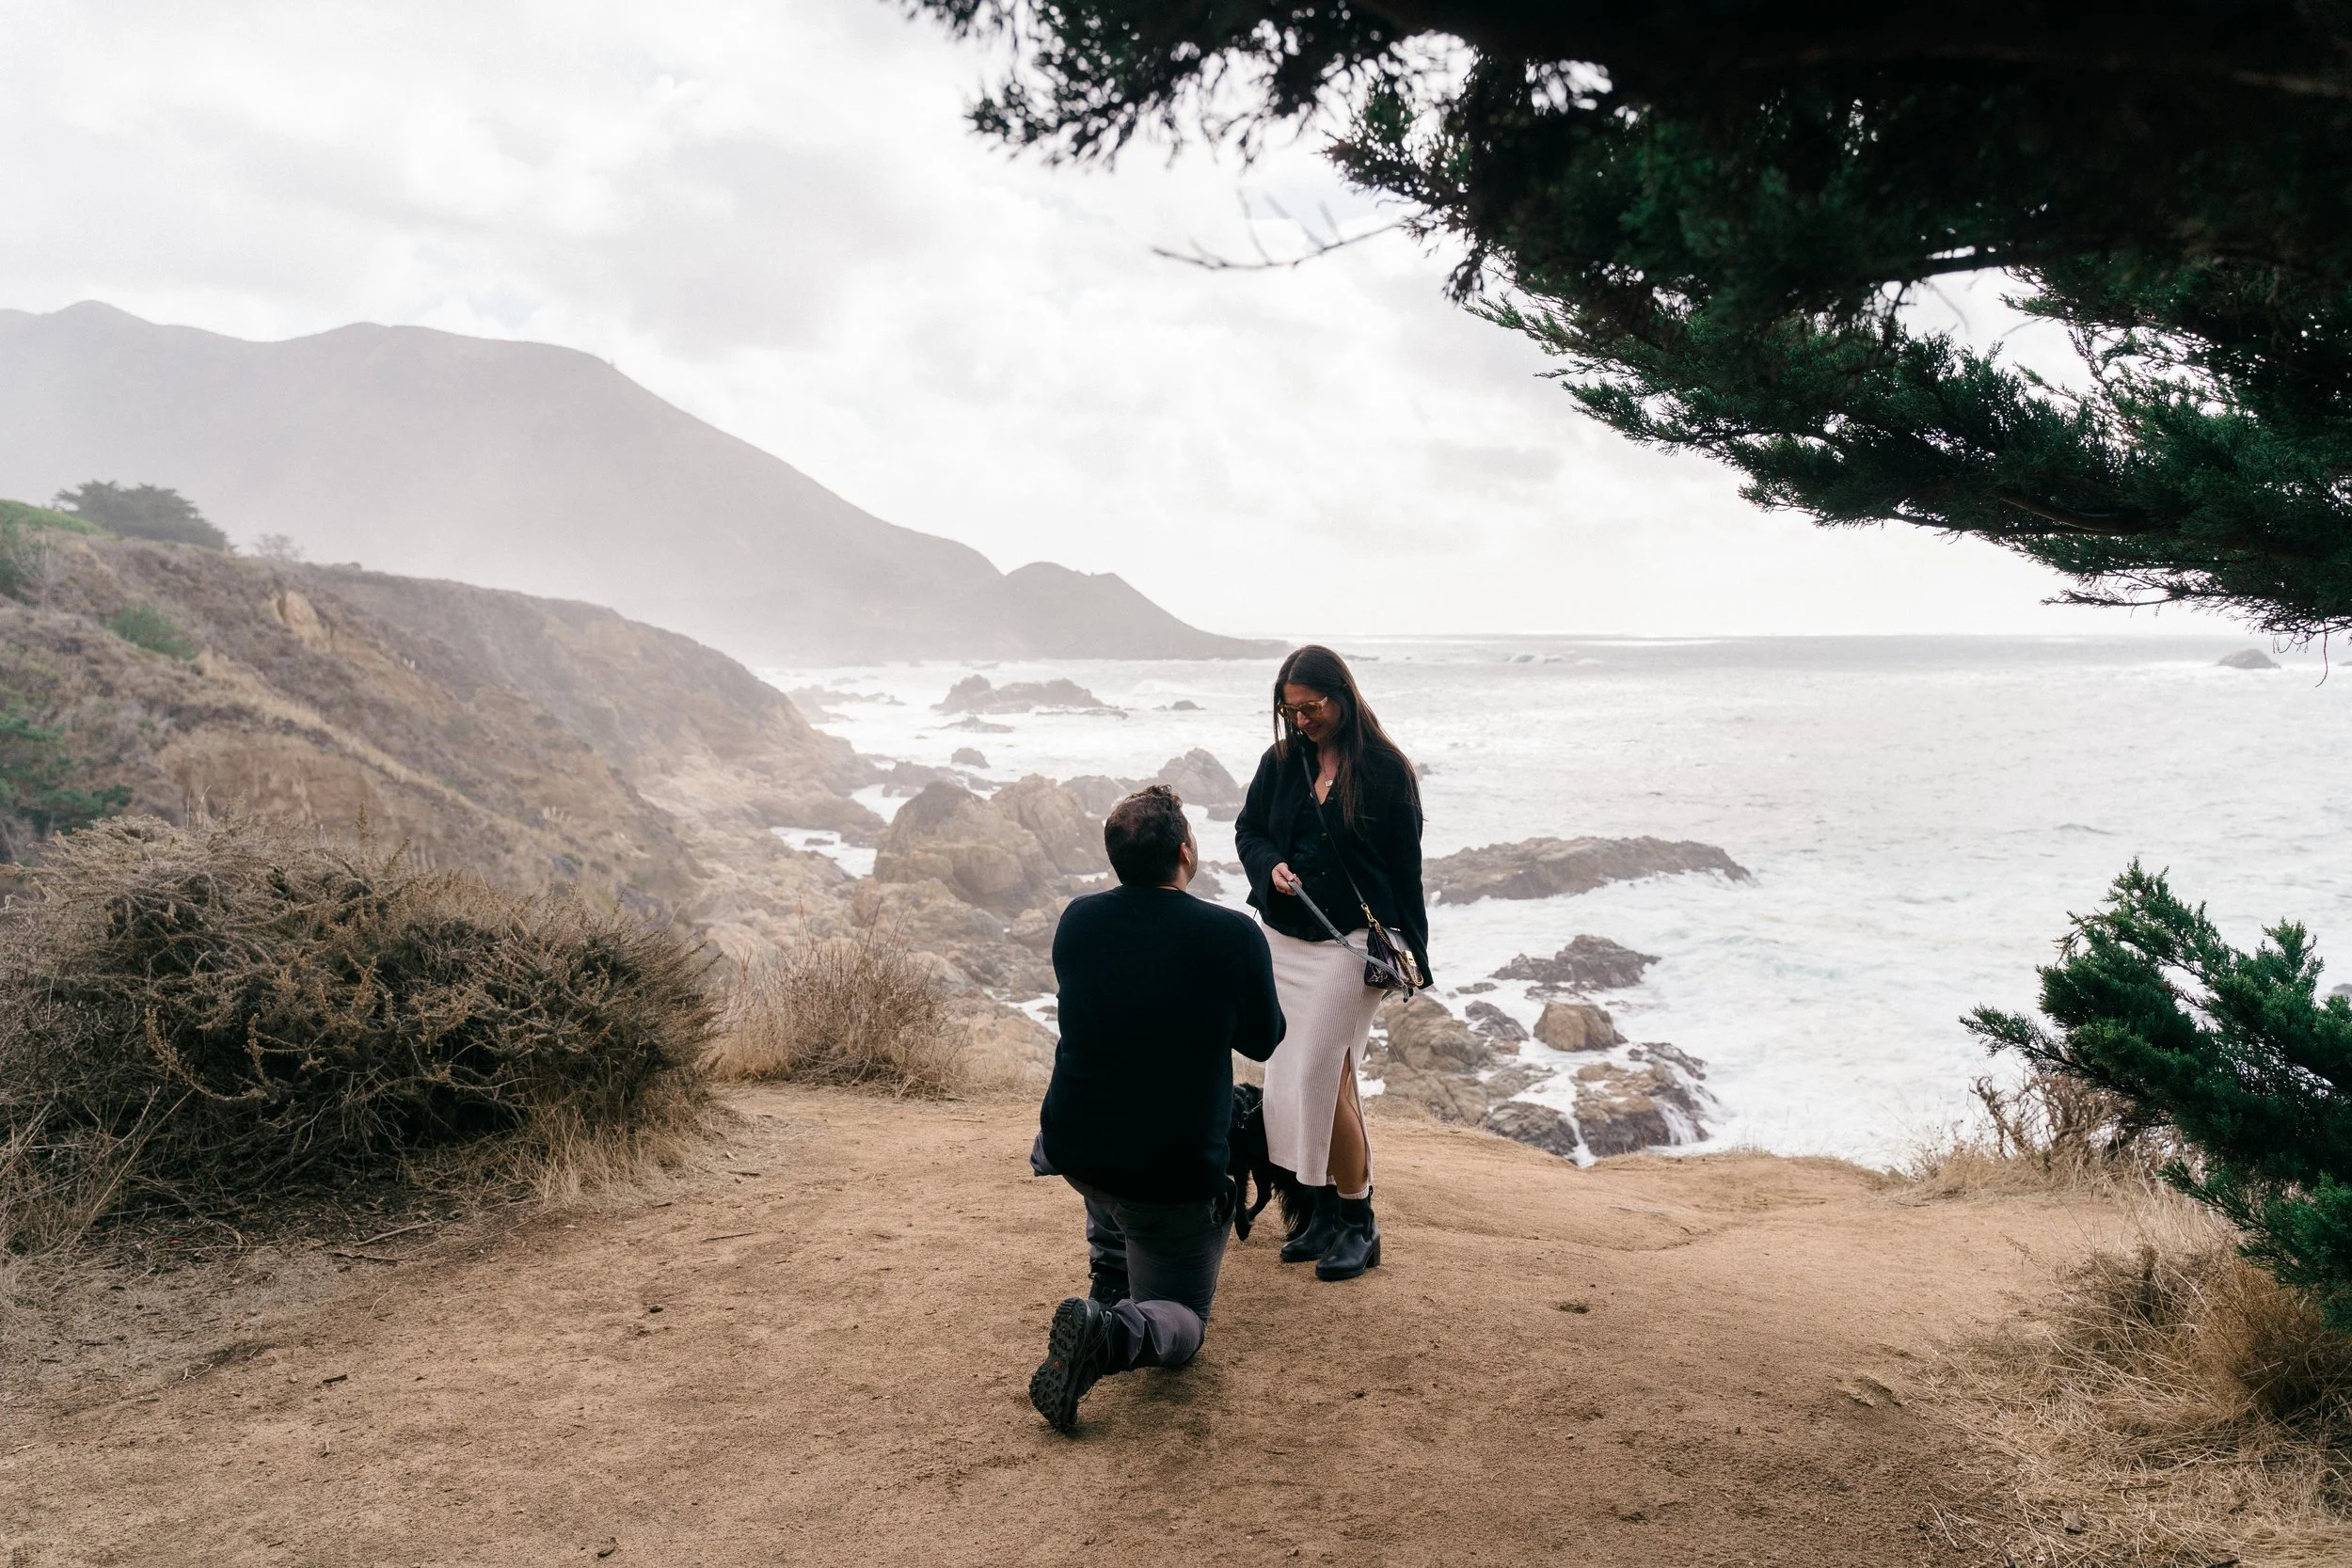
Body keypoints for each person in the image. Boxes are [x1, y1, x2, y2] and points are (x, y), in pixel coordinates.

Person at [1026, 784, 1286, 1433]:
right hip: (1166, 1175)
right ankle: (1111, 1333)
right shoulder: (1232, 935)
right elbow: (1263, 1038)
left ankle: (1110, 1273)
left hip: (1074, 1143)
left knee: (1115, 1133)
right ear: (1185, 851)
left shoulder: (1078, 919)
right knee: (1182, 1322)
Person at [1232, 644, 1430, 1282]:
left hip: (1351, 943)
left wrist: (1416, 952)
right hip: (1284, 941)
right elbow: (1249, 831)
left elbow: (1405, 869)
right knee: (1288, 1077)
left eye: (1310, 707)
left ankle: (1358, 1220)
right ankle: (1318, 1211)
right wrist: (1271, 868)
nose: (1301, 721)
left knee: (1323, 1071)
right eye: (1290, 711)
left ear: (1341, 695)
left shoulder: (1387, 771)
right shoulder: (1283, 761)